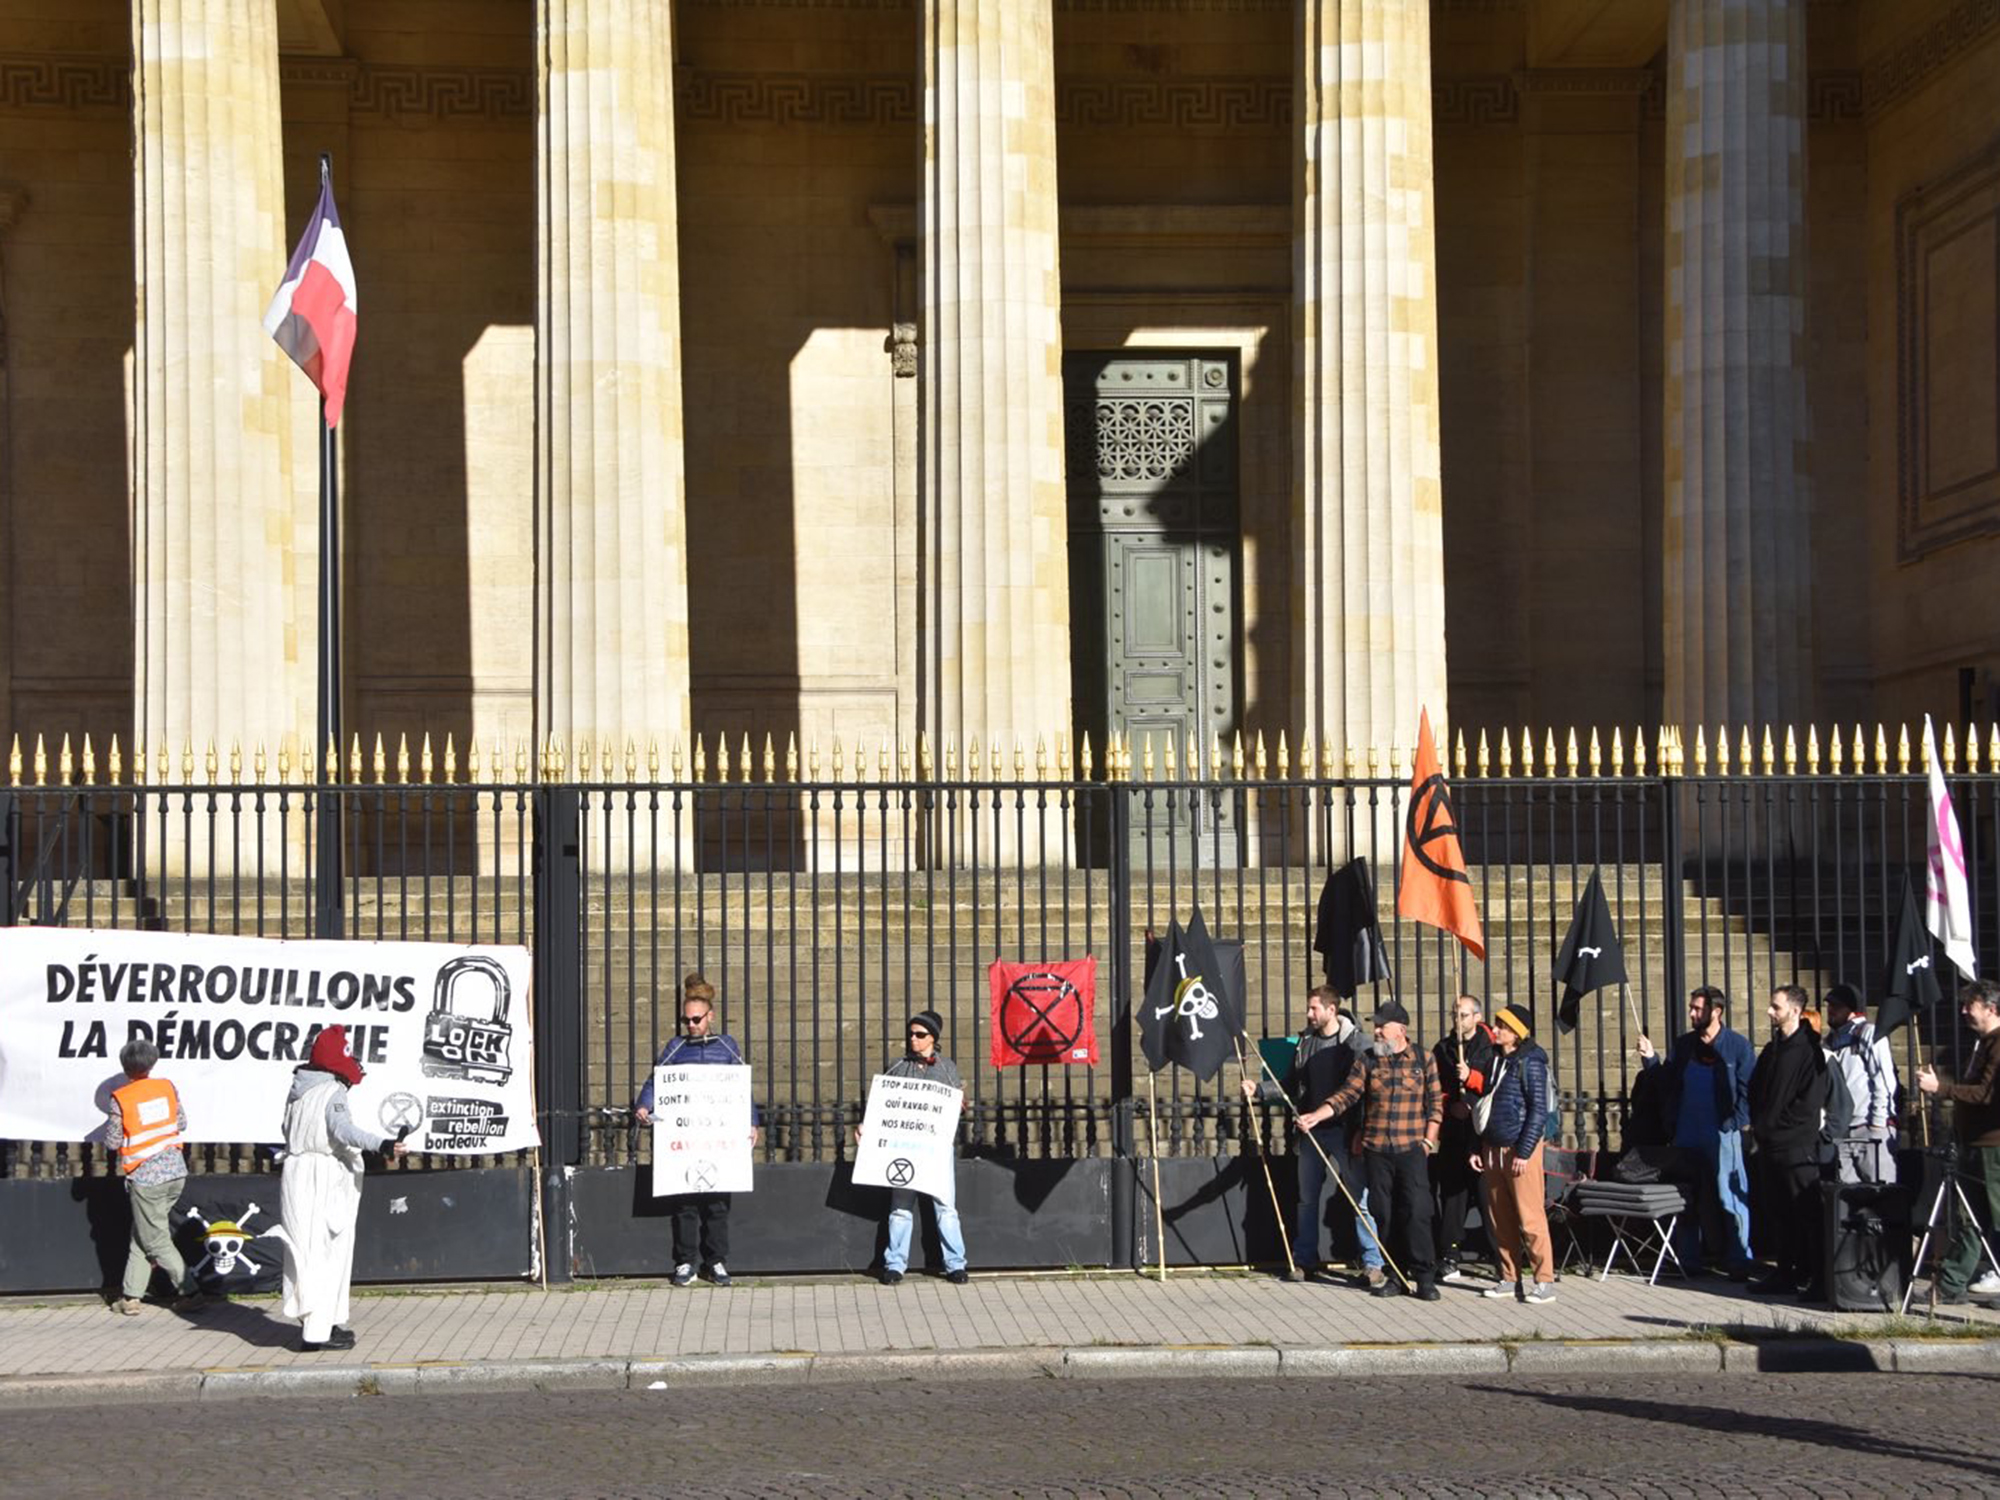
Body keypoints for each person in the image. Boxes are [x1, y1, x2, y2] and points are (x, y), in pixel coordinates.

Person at [1240, 984, 1385, 1283]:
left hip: (1345, 1130)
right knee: (1307, 1199)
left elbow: (1367, 1090)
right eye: (1309, 1008)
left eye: (1314, 1008)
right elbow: (1292, 1082)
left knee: (1359, 1198)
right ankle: (1305, 1259)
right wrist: (1259, 1090)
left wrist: (1361, 1128)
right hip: (1311, 1130)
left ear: (1331, 1010)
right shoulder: (1306, 1041)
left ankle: (1373, 1262)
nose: (1308, 1014)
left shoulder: (1357, 1042)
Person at [280, 1024, 408, 1352]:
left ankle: (316, 1322)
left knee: (304, 1250)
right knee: (327, 1250)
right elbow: (342, 1130)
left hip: (295, 1172)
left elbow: (285, 1129)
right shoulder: (331, 1091)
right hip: (321, 1175)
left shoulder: (298, 1090)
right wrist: (383, 1144)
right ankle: (320, 1330)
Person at [1307, 999, 1444, 1300]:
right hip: (1377, 1150)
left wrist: (1427, 1142)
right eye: (1376, 1026)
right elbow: (1348, 1094)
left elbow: (1435, 1106)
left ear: (1401, 1029)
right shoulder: (1368, 1060)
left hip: (1411, 1149)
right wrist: (1318, 1114)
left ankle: (1424, 1276)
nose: (1377, 1031)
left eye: (1382, 1026)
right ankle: (1395, 1274)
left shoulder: (1424, 1059)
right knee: (1384, 1213)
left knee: (1417, 1212)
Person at [632, 973, 761, 1288]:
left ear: (710, 1017)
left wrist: (752, 1121)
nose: (690, 1025)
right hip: (687, 1139)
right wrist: (644, 1105)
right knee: (685, 1203)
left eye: (695, 1019)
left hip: (718, 1137)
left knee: (718, 1203)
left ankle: (715, 1261)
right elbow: (656, 1079)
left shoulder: (727, 1046)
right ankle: (686, 1262)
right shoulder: (675, 1047)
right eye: (685, 1020)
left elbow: (742, 1085)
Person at [1637, 985, 1755, 1278]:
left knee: (1729, 1196)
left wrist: (1735, 1122)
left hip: (1722, 1134)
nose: (1691, 1013)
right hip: (1686, 1133)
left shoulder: (1737, 1046)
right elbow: (1667, 1082)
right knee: (1685, 1196)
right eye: (1691, 1007)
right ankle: (1689, 1259)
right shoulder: (1684, 1045)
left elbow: (1749, 1090)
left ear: (1716, 1012)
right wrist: (1651, 1058)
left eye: (1697, 1008)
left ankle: (1739, 1259)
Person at [103, 1039, 206, 1316]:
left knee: (155, 1239)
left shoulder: (121, 1097)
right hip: (174, 1171)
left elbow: (113, 1142)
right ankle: (131, 1297)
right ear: (152, 1063)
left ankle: (191, 1291)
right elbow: (181, 1123)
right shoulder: (166, 1087)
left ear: (125, 1067)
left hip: (147, 1178)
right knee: (143, 1234)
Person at [1916, 979, 2000, 1304]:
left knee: (1991, 1215)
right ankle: (1950, 1284)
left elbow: (1985, 1094)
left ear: (1991, 1009)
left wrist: (1941, 1088)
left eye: (1971, 1006)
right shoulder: (1984, 1043)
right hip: (1974, 1145)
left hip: (1993, 1148)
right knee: (1970, 1219)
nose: (1964, 1011)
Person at [1747, 984, 1830, 1297]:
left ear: (1794, 1011)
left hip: (1797, 1147)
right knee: (1779, 1213)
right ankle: (1785, 1273)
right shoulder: (1773, 1049)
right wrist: (1760, 1123)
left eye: (1776, 1007)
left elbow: (1808, 1103)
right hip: (1769, 1144)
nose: (1770, 1012)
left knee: (1808, 1213)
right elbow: (1756, 1088)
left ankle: (1819, 1278)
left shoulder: (1811, 1052)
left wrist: (1777, 1126)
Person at [878, 1009, 970, 1286]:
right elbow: (884, 1104)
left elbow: (958, 1104)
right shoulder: (897, 1066)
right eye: (911, 1034)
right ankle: (895, 1264)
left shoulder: (946, 1068)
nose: (913, 1040)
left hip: (936, 1148)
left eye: (920, 1035)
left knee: (946, 1207)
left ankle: (955, 1264)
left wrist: (960, 1105)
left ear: (933, 1038)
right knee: (900, 1208)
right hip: (905, 1146)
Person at [1473, 1000, 1556, 1303]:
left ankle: (1544, 1280)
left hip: (1520, 1148)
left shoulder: (1531, 1061)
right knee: (1501, 1218)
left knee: (1530, 1216)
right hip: (1493, 1146)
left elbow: (1538, 1111)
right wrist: (1477, 1146)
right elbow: (1483, 1103)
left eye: (1502, 1027)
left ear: (1516, 1032)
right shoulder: (1494, 1060)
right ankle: (1509, 1276)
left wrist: (1523, 1150)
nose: (1495, 1030)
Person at [1432, 993, 1498, 1281]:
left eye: (1463, 1015)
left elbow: (1494, 1085)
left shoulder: (1492, 1048)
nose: (1457, 1020)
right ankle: (1450, 1255)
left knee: (1489, 1199)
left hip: (1483, 1135)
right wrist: (1450, 1105)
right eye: (1454, 1014)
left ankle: (1502, 1258)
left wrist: (1470, 1077)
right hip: (1454, 1133)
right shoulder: (1444, 1048)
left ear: (1476, 1017)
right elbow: (1434, 1088)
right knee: (1452, 1199)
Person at [1822, 983, 1898, 1185]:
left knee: (1880, 1191)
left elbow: (1883, 1078)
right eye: (1829, 1005)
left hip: (1868, 1125)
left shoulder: (1868, 1033)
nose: (1830, 1010)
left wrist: (1878, 1122)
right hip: (1844, 1128)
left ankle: (1877, 1220)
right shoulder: (1829, 1041)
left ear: (1851, 1010)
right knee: (1849, 1194)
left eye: (1836, 1006)